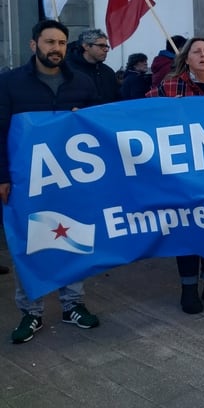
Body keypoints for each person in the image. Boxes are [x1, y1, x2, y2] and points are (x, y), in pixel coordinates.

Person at [1, 19, 101, 343]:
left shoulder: (82, 83)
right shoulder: (10, 83)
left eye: (60, 43)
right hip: (26, 181)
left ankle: (73, 303)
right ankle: (31, 311)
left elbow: (99, 127)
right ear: (34, 45)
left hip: (72, 180)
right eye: (49, 42)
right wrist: (2, 175)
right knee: (29, 243)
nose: (55, 48)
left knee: (75, 239)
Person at [146, 38, 204, 314]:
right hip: (184, 171)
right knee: (188, 228)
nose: (203, 55)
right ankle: (188, 289)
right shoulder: (171, 85)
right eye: (197, 51)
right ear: (186, 58)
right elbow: (146, 113)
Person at [66, 28, 120, 103]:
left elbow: (117, 99)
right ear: (86, 46)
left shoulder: (108, 72)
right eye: (101, 46)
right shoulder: (67, 70)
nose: (105, 50)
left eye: (106, 46)